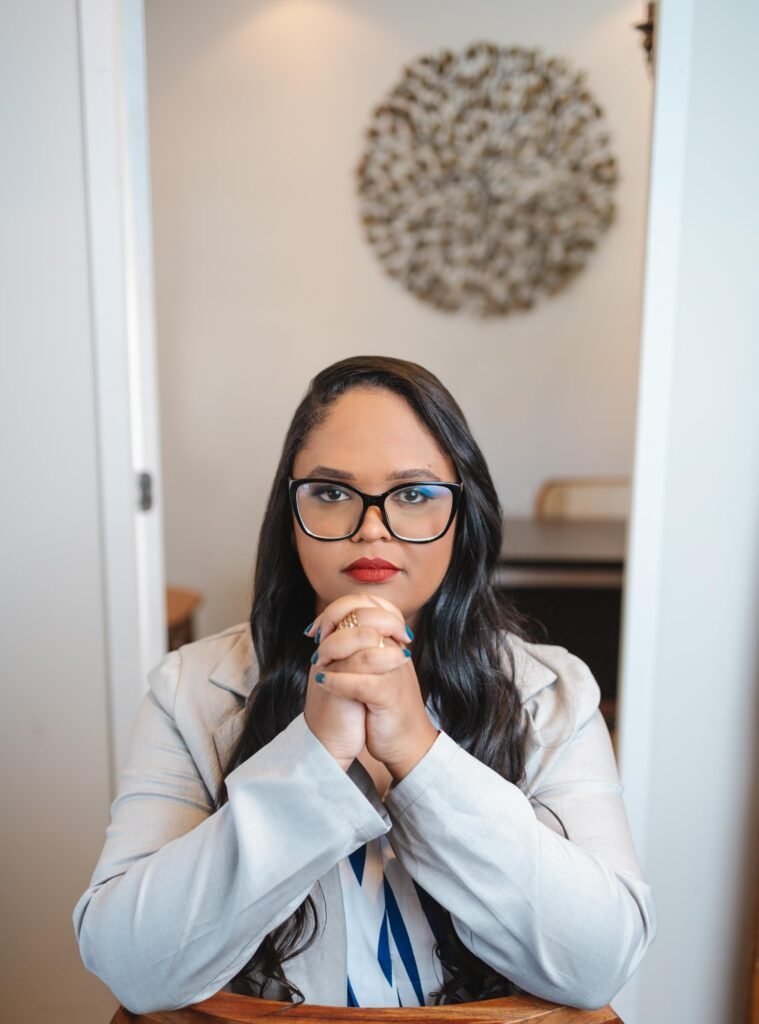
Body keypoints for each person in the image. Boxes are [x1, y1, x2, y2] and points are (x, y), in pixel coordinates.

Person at [73, 355, 656, 1014]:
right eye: (330, 492)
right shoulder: (190, 689)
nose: (371, 527)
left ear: (464, 513)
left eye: (413, 494)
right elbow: (130, 966)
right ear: (290, 511)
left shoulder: (551, 694)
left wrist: (418, 752)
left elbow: (599, 964)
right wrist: (313, 757)